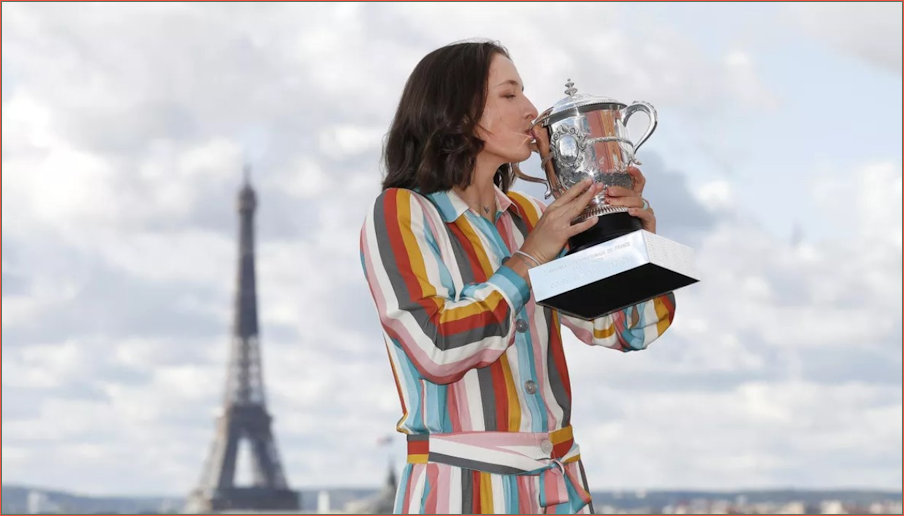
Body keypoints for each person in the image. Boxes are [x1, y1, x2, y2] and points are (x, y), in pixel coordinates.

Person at [360, 40, 676, 515]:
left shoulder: (532, 215)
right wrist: (529, 258)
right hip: (462, 493)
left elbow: (626, 330)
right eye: (509, 95)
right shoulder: (402, 212)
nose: (532, 110)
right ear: (456, 111)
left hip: (560, 489)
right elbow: (437, 347)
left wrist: (628, 242)